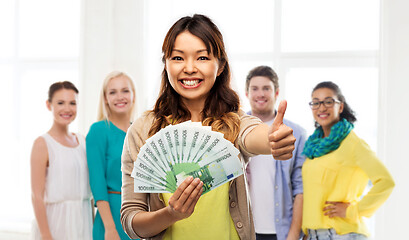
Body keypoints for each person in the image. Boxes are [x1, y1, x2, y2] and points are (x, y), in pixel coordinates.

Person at [120, 14, 296, 240]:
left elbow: (252, 135)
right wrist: (171, 214)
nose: (190, 68)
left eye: (202, 58)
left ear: (220, 65)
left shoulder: (233, 123)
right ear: (166, 64)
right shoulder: (143, 129)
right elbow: (132, 221)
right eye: (178, 58)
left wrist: (272, 138)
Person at [301, 81, 395, 239]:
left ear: (341, 106)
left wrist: (353, 210)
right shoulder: (313, 147)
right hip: (313, 235)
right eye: (316, 103)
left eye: (328, 101)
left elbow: (386, 182)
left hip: (342, 234)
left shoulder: (353, 144)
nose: (321, 108)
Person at [244, 66, 306, 240]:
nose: (260, 94)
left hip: (282, 232)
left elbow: (300, 188)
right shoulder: (236, 130)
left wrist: (293, 235)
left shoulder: (296, 133)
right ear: (247, 94)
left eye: (266, 88)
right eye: (254, 88)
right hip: (245, 230)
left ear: (276, 92)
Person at [30, 81, 92, 240]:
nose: (67, 108)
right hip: (56, 223)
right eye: (60, 103)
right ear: (49, 105)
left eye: (72, 103)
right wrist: (45, 235)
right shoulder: (42, 144)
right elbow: (36, 195)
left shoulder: (83, 141)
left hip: (83, 220)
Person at [86, 71, 136, 240]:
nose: (119, 97)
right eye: (112, 92)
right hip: (112, 216)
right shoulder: (98, 131)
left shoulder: (141, 132)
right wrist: (110, 228)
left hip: (140, 217)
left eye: (125, 91)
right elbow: (97, 182)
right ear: (105, 98)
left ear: (133, 95)